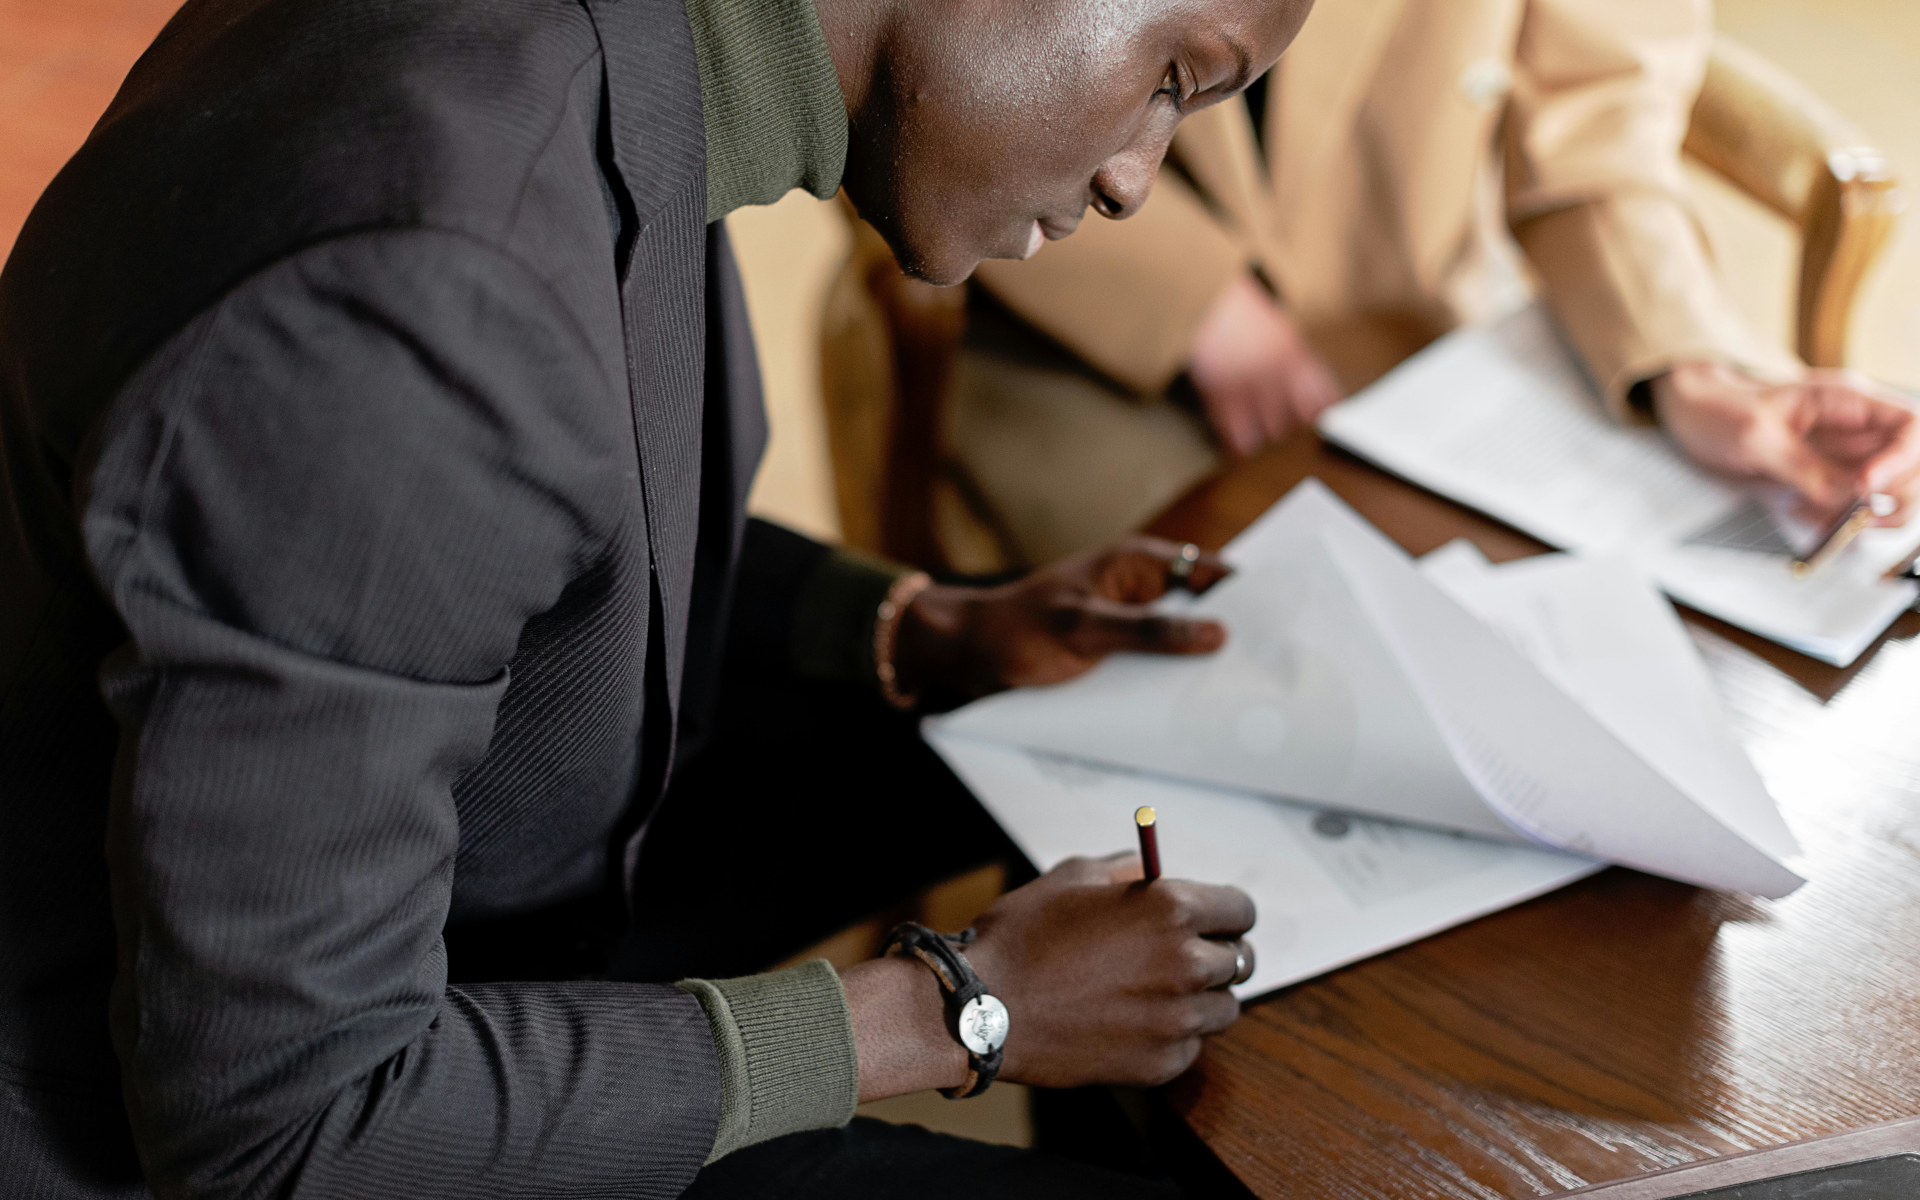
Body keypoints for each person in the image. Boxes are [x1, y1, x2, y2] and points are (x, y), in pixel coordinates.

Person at [0, 0, 1312, 1194]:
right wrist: (957, 1012)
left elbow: (520, 535)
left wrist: (924, 629)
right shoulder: (430, 276)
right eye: (1173, 76)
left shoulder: (620, 63)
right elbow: (285, 1119)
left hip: (446, 878)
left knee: (1033, 736)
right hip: (257, 1115)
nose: (1141, 180)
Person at [949, 0, 1920, 567]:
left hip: (1411, 343)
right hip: (1086, 318)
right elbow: (922, 53)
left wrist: (1693, 368)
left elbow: (1596, 132)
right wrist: (1198, 300)